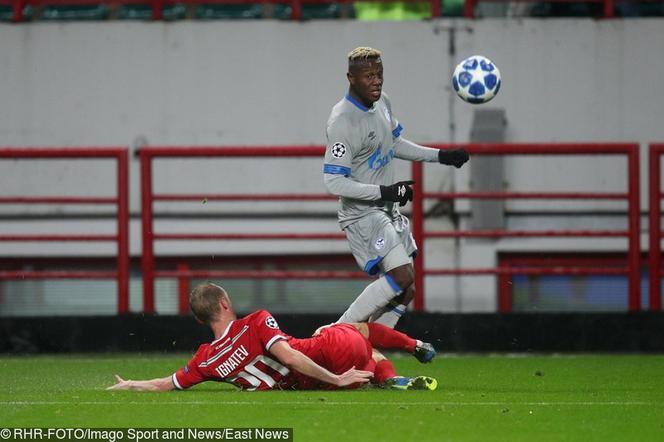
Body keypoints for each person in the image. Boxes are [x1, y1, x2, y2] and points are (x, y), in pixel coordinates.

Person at [323, 47, 469, 328]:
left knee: (406, 291)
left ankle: (369, 356)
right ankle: (331, 335)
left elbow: (395, 144)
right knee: (402, 277)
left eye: (379, 74)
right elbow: (333, 181)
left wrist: (441, 156)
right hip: (363, 215)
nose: (376, 81)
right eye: (368, 76)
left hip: (386, 210)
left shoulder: (383, 103)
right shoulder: (342, 120)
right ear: (351, 78)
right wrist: (386, 192)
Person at [107, 282, 437, 392]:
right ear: (225, 303)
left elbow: (169, 383)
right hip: (326, 360)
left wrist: (133, 384)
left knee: (365, 360)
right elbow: (290, 355)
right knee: (357, 331)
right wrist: (336, 379)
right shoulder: (256, 321)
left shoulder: (205, 359)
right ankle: (414, 347)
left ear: (199, 319)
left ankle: (382, 376)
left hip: (308, 383)